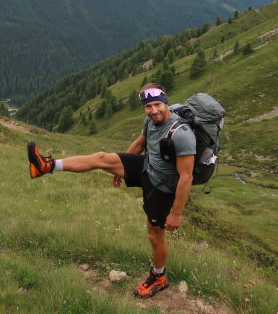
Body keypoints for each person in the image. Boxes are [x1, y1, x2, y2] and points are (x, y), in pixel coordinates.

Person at [27, 83, 196, 299]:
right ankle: (46, 166)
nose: (154, 111)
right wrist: (119, 169)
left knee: (155, 234)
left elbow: (186, 177)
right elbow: (139, 144)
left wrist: (176, 213)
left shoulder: (182, 135)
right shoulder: (150, 121)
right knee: (102, 158)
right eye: (148, 107)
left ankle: (159, 277)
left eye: (157, 105)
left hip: (162, 187)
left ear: (166, 102)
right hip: (147, 166)